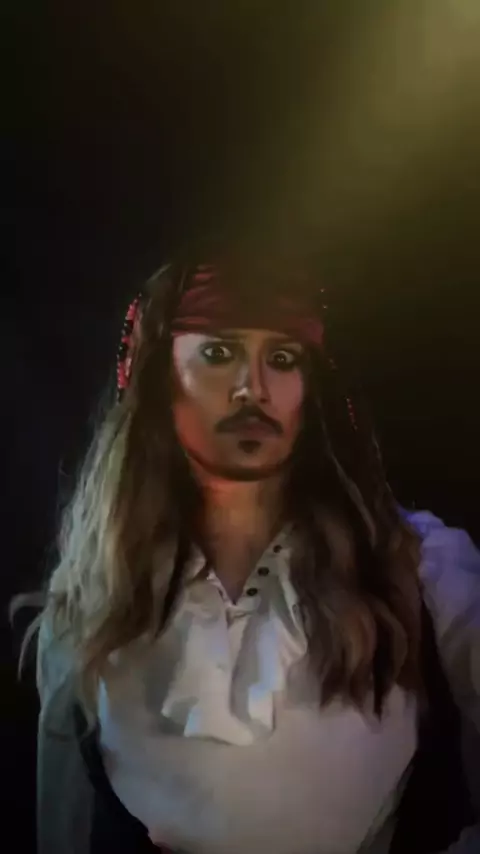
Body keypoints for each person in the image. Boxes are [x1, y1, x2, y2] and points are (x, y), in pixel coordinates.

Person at [23, 254, 480, 853]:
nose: (253, 388)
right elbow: (63, 830)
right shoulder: (95, 594)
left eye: (282, 359)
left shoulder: (417, 564)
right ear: (158, 376)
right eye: (219, 353)